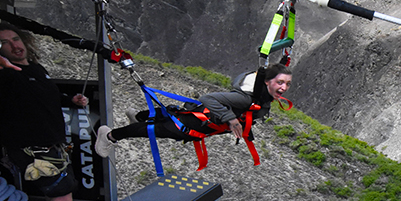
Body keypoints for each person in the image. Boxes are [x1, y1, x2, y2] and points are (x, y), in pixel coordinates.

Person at [0, 22, 110, 201]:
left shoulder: (35, 69)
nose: (13, 45)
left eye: (15, 39)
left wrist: (70, 100)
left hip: (48, 140)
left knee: (59, 185)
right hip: (31, 144)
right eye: (3, 42)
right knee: (58, 187)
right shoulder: (3, 74)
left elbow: (44, 94)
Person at [94, 64, 292, 157]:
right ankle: (110, 135)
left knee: (171, 113)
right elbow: (208, 99)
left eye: (287, 84)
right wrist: (231, 119)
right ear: (266, 83)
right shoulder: (246, 97)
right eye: (280, 83)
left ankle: (138, 116)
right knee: (155, 130)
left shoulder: (261, 95)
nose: (283, 88)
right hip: (194, 124)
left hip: (200, 121)